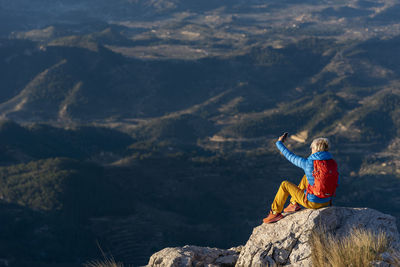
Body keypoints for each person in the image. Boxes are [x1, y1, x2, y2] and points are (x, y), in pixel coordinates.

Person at [263, 132, 339, 224]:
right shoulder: (332, 163)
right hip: (327, 201)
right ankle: (294, 203)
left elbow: (290, 156)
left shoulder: (308, 163)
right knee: (307, 176)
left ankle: (275, 213)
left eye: (312, 147)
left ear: (315, 149)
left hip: (313, 202)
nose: (311, 149)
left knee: (284, 185)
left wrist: (279, 143)